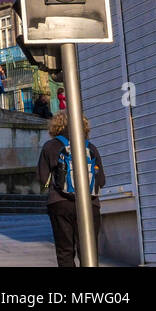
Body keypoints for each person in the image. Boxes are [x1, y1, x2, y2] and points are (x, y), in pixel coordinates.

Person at [37, 113, 106, 267]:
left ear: (56, 126)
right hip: (90, 204)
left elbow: (42, 179)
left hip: (60, 203)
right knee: (88, 250)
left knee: (65, 251)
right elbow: (101, 181)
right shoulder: (90, 147)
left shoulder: (50, 146)